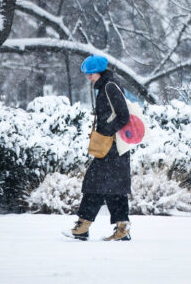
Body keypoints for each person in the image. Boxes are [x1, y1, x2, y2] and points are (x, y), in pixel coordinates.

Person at [68, 54, 132, 241]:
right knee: (113, 188)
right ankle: (121, 229)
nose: (88, 76)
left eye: (91, 73)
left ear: (100, 71)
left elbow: (123, 115)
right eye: (87, 73)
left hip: (112, 146)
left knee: (95, 184)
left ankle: (82, 227)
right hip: (113, 147)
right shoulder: (106, 86)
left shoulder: (110, 86)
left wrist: (106, 133)